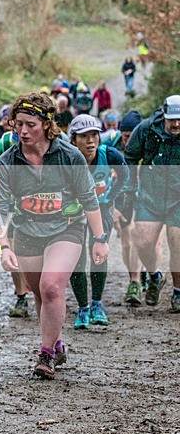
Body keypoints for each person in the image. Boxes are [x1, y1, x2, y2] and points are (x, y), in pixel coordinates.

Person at [0, 92, 108, 380]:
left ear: (46, 124)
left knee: (52, 286)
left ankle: (45, 354)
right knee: (40, 293)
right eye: (18, 124)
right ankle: (56, 343)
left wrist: (99, 239)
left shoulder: (69, 156)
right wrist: (4, 246)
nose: (23, 131)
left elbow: (89, 199)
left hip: (66, 228)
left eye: (30, 124)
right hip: (27, 231)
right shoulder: (8, 162)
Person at [67, 115, 128, 329]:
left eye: (94, 134)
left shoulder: (109, 154)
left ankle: (97, 304)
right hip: (74, 211)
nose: (91, 140)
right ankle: (82, 308)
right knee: (76, 257)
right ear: (73, 140)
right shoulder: (66, 158)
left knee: (99, 253)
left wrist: (112, 197)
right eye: (84, 136)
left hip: (101, 207)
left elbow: (124, 175)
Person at [123, 95, 180, 313]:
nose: (176, 124)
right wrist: (129, 187)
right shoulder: (146, 129)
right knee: (143, 242)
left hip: (178, 198)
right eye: (172, 119)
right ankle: (155, 275)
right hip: (150, 195)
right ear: (163, 114)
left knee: (177, 243)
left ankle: (177, 292)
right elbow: (129, 157)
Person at [105, 111, 154, 306]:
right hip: (122, 196)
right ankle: (135, 277)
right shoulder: (112, 147)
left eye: (133, 135)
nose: (130, 140)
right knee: (127, 242)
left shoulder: (149, 144)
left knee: (144, 241)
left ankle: (141, 276)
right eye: (126, 136)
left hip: (146, 196)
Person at [0, 130, 29, 317]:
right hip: (10, 203)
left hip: (37, 203)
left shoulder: (48, 143)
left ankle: (45, 293)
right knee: (11, 249)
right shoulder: (1, 145)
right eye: (19, 124)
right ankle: (21, 298)